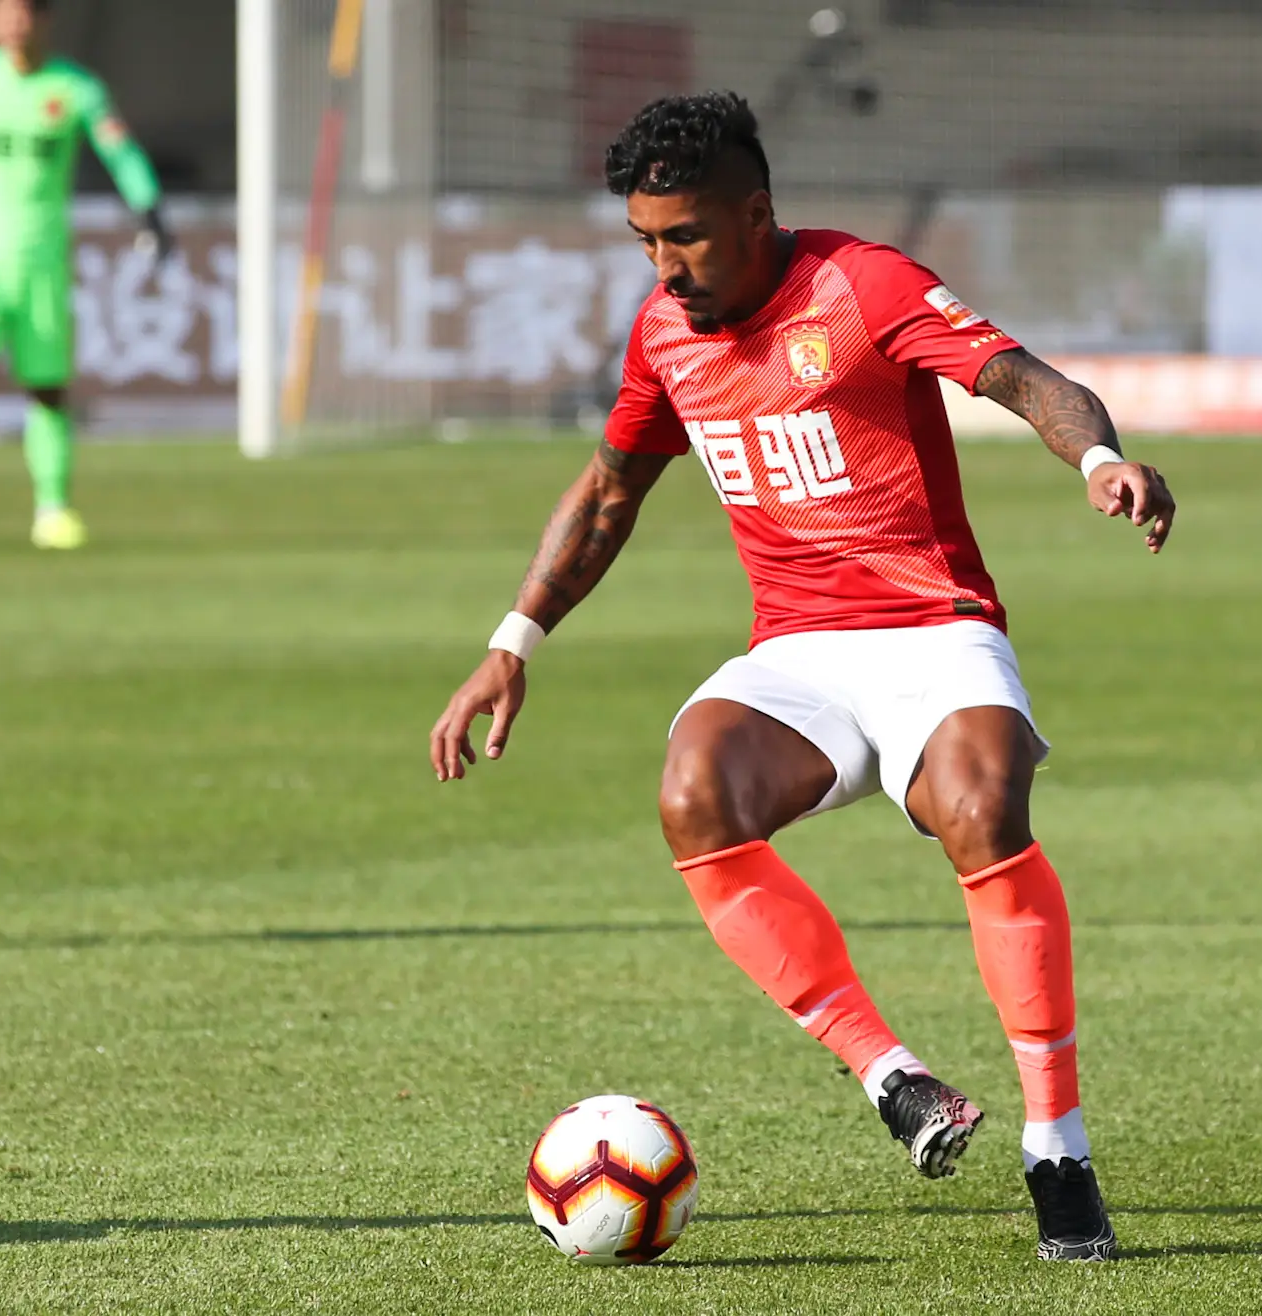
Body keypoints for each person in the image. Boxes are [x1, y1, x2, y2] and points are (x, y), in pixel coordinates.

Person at [430, 92, 1177, 1262]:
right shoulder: (662, 335)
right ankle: (894, 1076)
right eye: (645, 241)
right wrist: (510, 641)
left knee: (981, 808)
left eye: (686, 236)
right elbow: (610, 493)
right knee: (693, 791)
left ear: (757, 211)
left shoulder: (861, 284)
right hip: (800, 651)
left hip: (934, 628)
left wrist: (1096, 454)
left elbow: (1021, 376)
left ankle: (1057, 1145)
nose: (666, 268)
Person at [0, 0, 172, 551]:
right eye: (5, 12)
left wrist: (148, 205)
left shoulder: (75, 89)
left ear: (44, 19)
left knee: (47, 388)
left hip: (44, 261)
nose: (15, 23)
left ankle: (53, 508)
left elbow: (119, 151)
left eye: (25, 12)